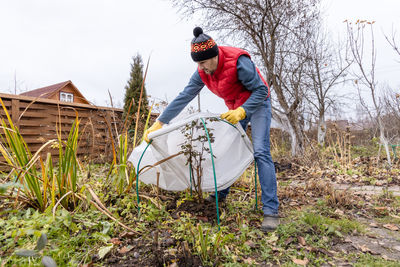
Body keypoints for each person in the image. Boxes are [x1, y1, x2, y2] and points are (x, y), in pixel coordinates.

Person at [143, 27, 279, 232]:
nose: (201, 67)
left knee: (260, 151)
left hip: (257, 103)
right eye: (198, 63)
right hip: (235, 107)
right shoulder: (202, 71)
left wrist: (243, 111)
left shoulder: (239, 63)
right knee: (226, 150)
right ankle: (219, 195)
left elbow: (262, 90)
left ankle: (270, 211)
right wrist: (161, 122)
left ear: (214, 55)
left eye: (203, 62)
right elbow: (185, 95)